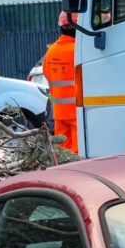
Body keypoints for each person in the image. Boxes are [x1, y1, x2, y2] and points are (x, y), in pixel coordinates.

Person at [42, 11, 79, 153]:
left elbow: (46, 73)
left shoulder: (51, 50)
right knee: (78, 154)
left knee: (63, 153)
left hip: (59, 113)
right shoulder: (78, 51)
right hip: (77, 112)